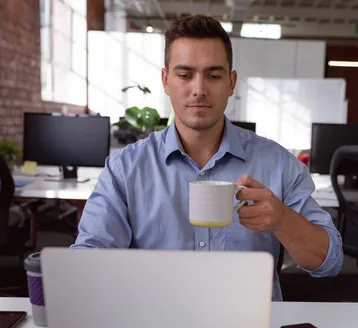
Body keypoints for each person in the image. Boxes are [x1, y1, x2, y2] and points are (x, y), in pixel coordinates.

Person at [72, 15, 344, 300]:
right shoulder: (125, 169)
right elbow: (87, 261)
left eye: (213, 76)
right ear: (166, 81)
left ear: (231, 82)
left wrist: (282, 220)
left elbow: (330, 262)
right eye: (185, 75)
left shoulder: (277, 163)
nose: (199, 89)